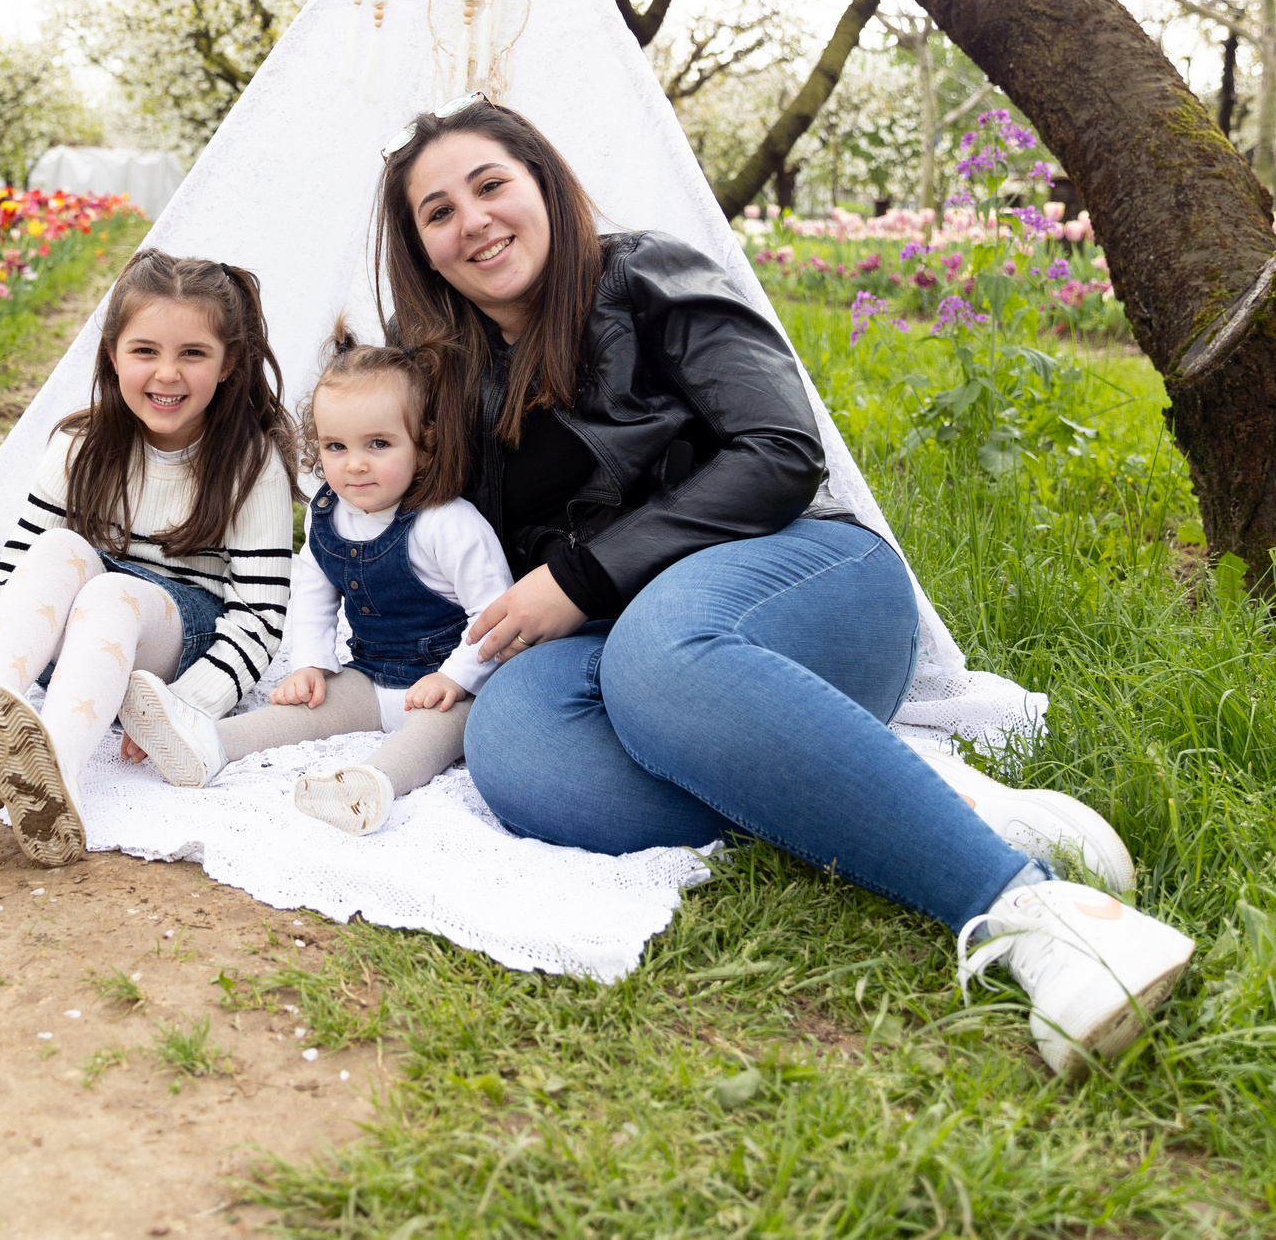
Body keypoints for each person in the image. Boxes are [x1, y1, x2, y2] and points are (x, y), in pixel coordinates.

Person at [377, 94, 1193, 1079]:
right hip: (623, 636)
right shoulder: (453, 376)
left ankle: (1037, 915)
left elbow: (777, 451)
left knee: (655, 659)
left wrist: (583, 576)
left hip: (802, 580)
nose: (472, 220)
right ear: (421, 249)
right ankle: (932, 798)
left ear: (543, 184)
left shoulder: (647, 277)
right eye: (436, 211)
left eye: (490, 184)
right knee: (520, 754)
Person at [0, 249, 295, 867]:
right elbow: (18, 564)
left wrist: (178, 711)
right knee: (57, 548)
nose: (167, 374)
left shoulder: (249, 464)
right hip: (75, 656)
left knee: (111, 593)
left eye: (193, 353)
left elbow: (260, 616)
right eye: (145, 351)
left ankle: (58, 777)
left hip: (163, 650)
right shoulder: (79, 443)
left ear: (229, 363)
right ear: (112, 353)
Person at [123, 325, 512, 836]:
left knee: (433, 734)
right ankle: (207, 744)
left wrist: (454, 677)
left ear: (424, 443)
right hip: (373, 674)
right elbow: (311, 593)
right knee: (309, 706)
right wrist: (310, 662)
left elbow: (496, 618)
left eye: (379, 444)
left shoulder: (448, 523)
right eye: (335, 446)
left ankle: (371, 783)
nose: (354, 464)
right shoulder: (329, 514)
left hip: (456, 687)